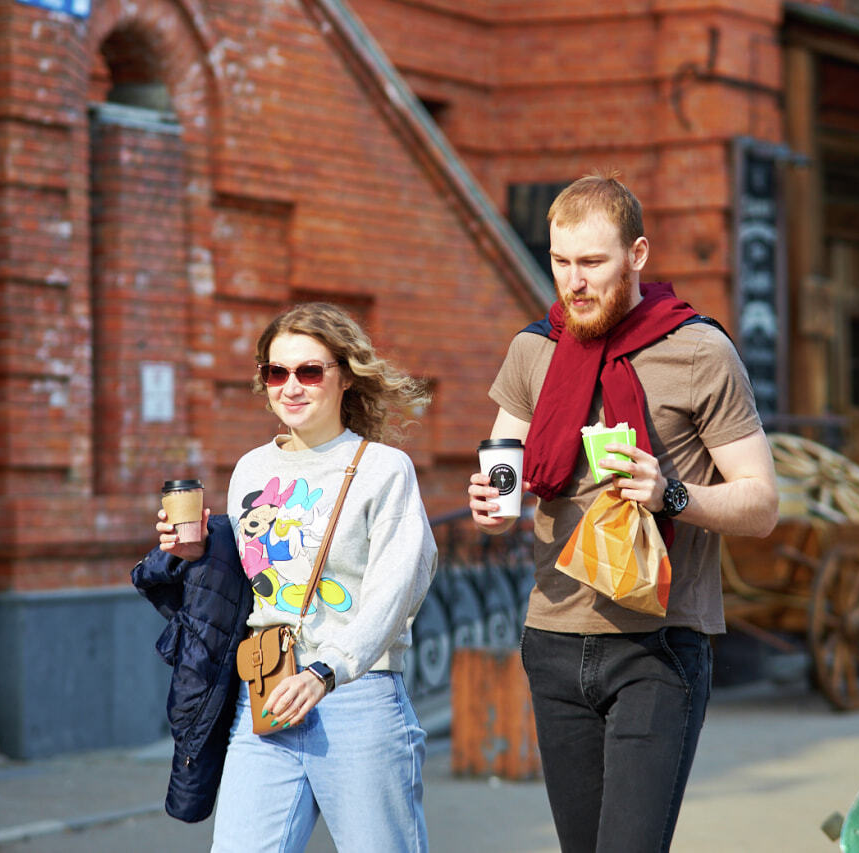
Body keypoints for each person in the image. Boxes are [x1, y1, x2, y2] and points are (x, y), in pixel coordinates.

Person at [468, 173, 778, 852]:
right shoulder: (533, 348)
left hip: (657, 644)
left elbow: (761, 502)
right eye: (560, 262)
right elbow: (505, 464)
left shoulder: (699, 350)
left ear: (637, 255)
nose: (573, 282)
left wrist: (673, 493)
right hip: (551, 635)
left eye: (592, 263)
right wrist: (493, 503)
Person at [156, 302, 437, 852]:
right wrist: (196, 555)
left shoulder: (383, 469)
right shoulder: (251, 470)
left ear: (344, 375)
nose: (291, 387)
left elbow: (396, 591)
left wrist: (327, 670)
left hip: (355, 696)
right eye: (275, 372)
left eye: (309, 371)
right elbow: (244, 589)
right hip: (264, 695)